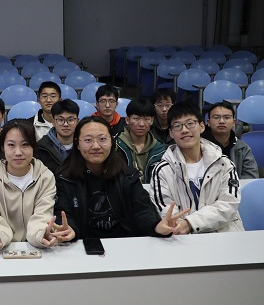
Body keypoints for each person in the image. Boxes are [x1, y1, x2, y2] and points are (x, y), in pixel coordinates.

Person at [54, 116, 186, 240]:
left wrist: (156, 226)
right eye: (88, 140)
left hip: (124, 243)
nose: (96, 146)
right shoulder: (65, 178)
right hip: (83, 245)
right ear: (77, 144)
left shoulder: (127, 175)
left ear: (112, 141)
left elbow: (142, 209)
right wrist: (69, 230)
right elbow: (63, 213)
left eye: (102, 139)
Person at [151, 101, 245, 233]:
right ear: (171, 133)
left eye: (190, 123)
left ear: (201, 126)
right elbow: (166, 211)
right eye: (177, 126)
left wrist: (190, 223)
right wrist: (180, 226)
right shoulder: (162, 170)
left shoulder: (224, 164)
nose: (184, 130)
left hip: (224, 235)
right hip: (181, 237)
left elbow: (229, 204)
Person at [0, 120, 65, 249]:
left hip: (36, 246)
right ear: (3, 147)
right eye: (11, 145)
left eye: (25, 145)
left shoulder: (46, 177)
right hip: (0, 249)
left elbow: (42, 215)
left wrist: (42, 234)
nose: (18, 152)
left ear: (33, 147)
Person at [201, 102, 258, 179]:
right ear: (208, 122)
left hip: (236, 186)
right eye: (216, 117)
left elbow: (251, 177)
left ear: (234, 122)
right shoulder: (198, 147)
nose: (221, 121)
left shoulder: (242, 148)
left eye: (227, 117)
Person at [116, 97, 166, 183]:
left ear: (152, 121)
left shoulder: (160, 149)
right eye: (136, 118)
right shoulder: (116, 146)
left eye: (146, 119)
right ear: (127, 120)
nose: (141, 124)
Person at [36, 99, 79, 174]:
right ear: (53, 122)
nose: (66, 124)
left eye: (70, 120)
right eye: (60, 120)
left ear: (77, 121)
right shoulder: (41, 148)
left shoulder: (85, 145)